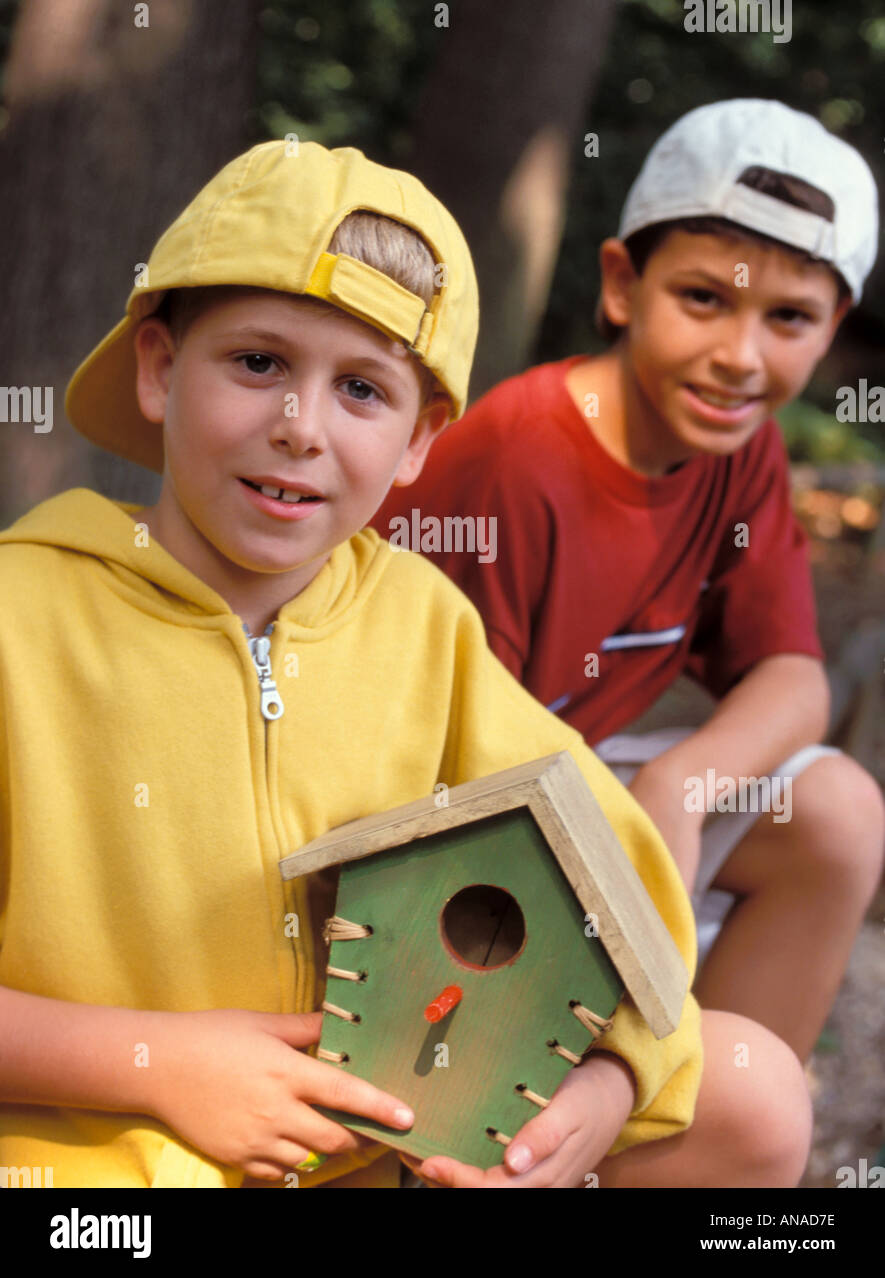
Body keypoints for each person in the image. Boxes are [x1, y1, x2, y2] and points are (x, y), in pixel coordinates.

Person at [0, 139, 808, 1191]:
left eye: (364, 391)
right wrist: (158, 1065)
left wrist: (603, 1081)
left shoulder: (423, 625)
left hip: (371, 1144)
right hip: (94, 1154)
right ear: (159, 368)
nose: (301, 428)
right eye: (258, 363)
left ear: (421, 441)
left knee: (757, 1089)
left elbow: (621, 877)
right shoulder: (24, 618)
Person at [371, 99, 885, 1071]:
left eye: (787, 318)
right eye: (703, 298)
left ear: (831, 330)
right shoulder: (520, 457)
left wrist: (679, 787)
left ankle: (715, 1131)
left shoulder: (740, 449)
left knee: (837, 813)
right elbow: (451, 774)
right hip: (431, 819)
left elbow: (792, 676)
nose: (741, 355)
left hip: (573, 784)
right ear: (621, 283)